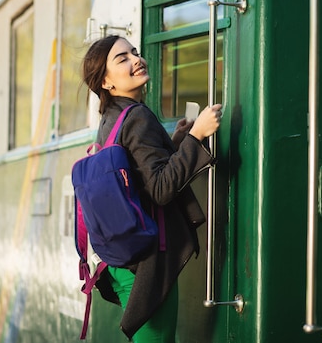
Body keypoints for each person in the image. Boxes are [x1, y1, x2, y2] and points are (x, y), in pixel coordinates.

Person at [81, 35, 222, 343]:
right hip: (144, 266)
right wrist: (196, 137)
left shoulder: (112, 119)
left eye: (135, 52)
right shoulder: (137, 116)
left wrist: (175, 143)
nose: (136, 59)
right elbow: (159, 189)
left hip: (119, 260)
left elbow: (138, 177)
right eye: (123, 59)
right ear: (106, 81)